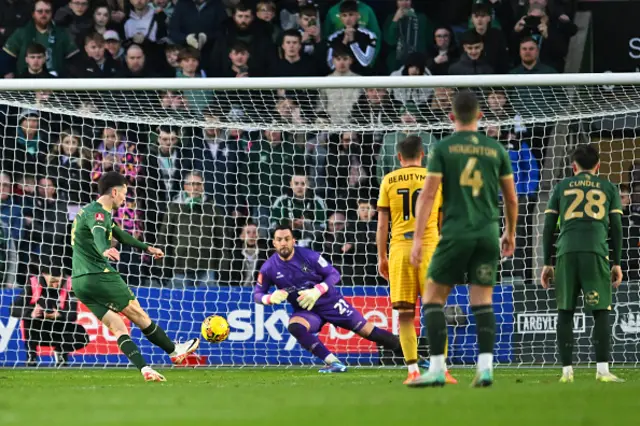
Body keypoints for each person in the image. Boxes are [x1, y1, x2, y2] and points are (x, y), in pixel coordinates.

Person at [407, 91, 518, 387]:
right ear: (480, 116)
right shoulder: (496, 149)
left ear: (451, 116)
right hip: (487, 234)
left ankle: (437, 369)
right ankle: (485, 368)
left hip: (455, 233)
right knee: (483, 300)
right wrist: (510, 231)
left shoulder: (443, 148)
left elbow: (428, 195)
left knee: (432, 297)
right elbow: (511, 198)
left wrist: (418, 238)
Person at [70, 172, 200, 381]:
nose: (125, 199)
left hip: (79, 282)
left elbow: (120, 235)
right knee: (138, 314)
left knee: (117, 326)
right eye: (124, 194)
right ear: (114, 191)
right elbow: (97, 232)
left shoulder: (89, 211)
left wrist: (147, 248)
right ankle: (174, 351)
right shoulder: (99, 214)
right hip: (99, 275)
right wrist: (104, 249)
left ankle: (145, 369)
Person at [254, 224, 401, 373]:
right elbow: (257, 294)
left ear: (294, 241)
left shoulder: (309, 256)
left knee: (369, 332)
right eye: (279, 239)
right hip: (307, 310)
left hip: (331, 302)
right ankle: (334, 363)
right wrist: (269, 298)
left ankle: (412, 356)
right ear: (274, 243)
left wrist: (318, 290)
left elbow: (334, 274)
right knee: (295, 326)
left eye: (287, 239)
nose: (283, 243)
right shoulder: (268, 268)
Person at [376, 136, 456, 385]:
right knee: (435, 310)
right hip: (430, 249)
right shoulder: (436, 178)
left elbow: (381, 225)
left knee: (405, 315)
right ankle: (441, 369)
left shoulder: (388, 180)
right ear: (423, 154)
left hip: (400, 249)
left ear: (399, 157)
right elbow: (444, 221)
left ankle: (412, 370)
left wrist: (381, 257)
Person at [541, 145, 624, 383]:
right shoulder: (608, 187)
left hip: (566, 252)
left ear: (573, 166)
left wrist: (546, 262)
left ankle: (566, 372)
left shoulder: (561, 186)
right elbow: (616, 227)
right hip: (596, 252)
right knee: (600, 311)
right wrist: (617, 263)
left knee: (565, 311)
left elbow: (548, 227)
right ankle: (603, 370)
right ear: (598, 166)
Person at [10, 262, 89, 366]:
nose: (56, 284)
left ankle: (61, 352)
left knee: (81, 334)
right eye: (52, 281)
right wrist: (31, 313)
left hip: (59, 330)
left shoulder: (69, 284)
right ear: (44, 275)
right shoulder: (33, 284)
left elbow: (73, 315)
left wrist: (60, 315)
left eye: (58, 281)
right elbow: (13, 310)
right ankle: (31, 356)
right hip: (39, 330)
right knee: (28, 321)